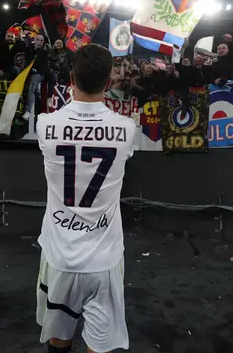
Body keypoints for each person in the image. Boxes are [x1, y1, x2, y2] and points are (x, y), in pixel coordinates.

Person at [35, 44, 137, 353]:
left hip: (59, 257)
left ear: (70, 78)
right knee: (100, 345)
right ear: (109, 82)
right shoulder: (126, 127)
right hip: (103, 260)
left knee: (58, 339)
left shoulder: (45, 124)